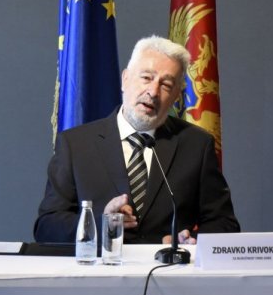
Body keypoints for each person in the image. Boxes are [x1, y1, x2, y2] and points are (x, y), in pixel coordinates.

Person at [34, 35, 239, 245]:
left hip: (167, 265)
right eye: (146, 78)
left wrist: (189, 241)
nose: (153, 92)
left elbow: (225, 224)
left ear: (176, 97)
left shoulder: (196, 145)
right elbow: (47, 227)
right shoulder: (75, 144)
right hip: (102, 265)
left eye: (166, 85)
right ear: (125, 79)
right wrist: (101, 224)